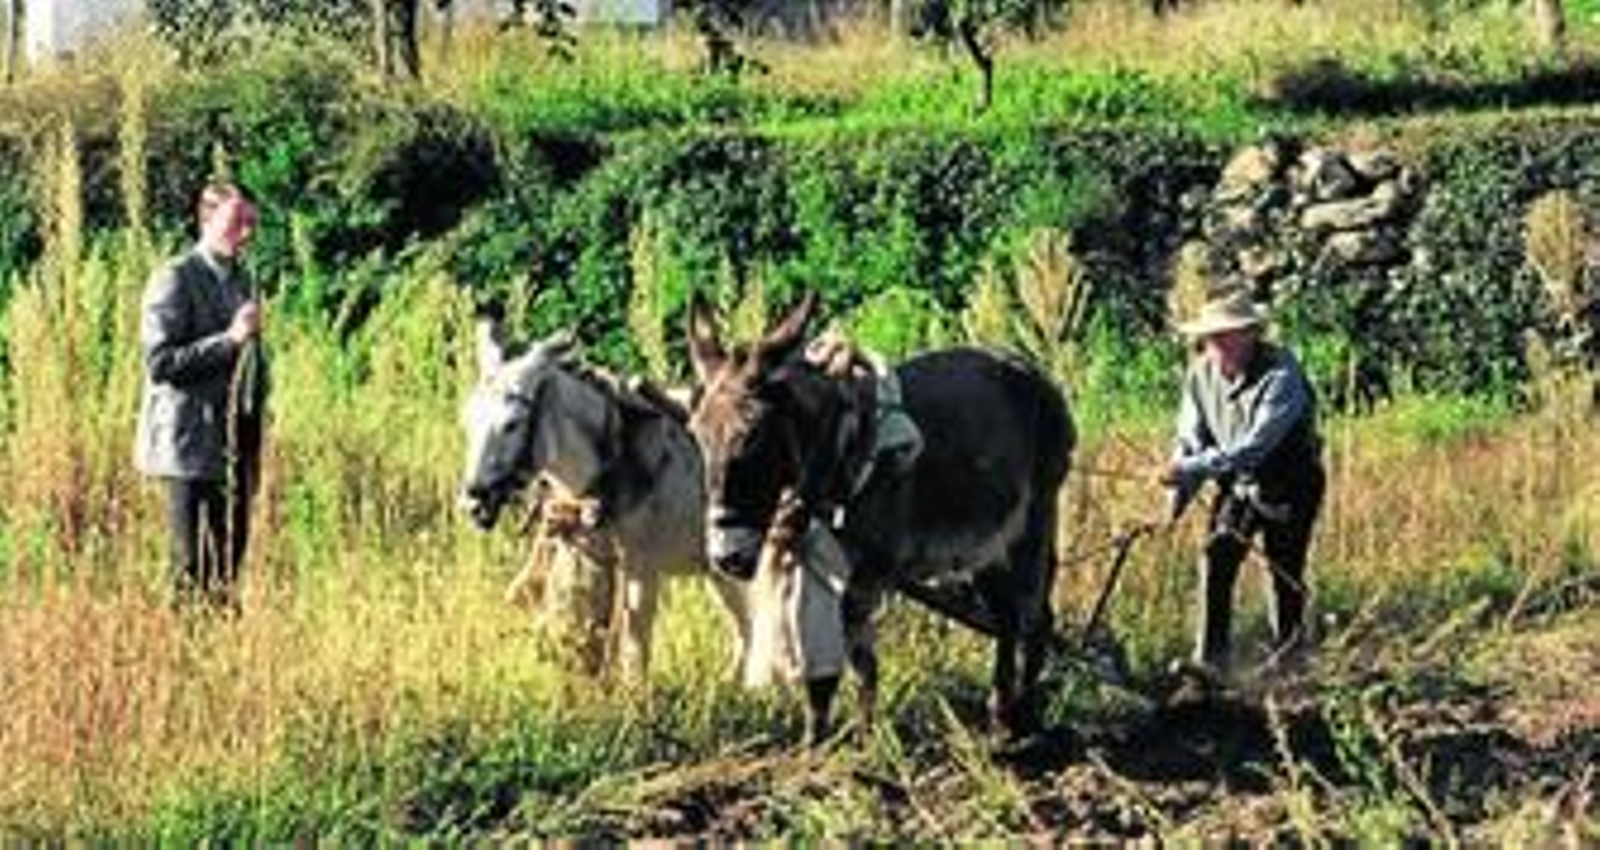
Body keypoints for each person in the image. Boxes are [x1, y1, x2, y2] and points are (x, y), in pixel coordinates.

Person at [1159, 288, 1324, 678]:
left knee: (1284, 570)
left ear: (1251, 333)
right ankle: (1210, 664)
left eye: (1227, 334)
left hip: (1290, 482)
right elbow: (1190, 438)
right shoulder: (1199, 374)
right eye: (1211, 336)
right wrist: (1176, 495)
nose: (1217, 343)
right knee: (1216, 555)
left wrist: (1188, 469)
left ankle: (1291, 663)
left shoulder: (1283, 375)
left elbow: (1252, 448)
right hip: (1237, 484)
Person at [134, 182, 268, 610]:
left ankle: (221, 663)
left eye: (251, 223)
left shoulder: (244, 279)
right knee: (191, 567)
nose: (245, 233)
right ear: (206, 220)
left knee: (229, 566)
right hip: (186, 445)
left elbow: (247, 361)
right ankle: (182, 664)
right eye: (236, 222)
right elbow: (161, 363)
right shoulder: (174, 276)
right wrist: (230, 339)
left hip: (235, 444)